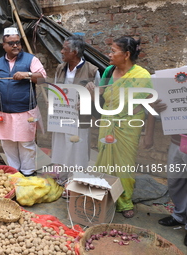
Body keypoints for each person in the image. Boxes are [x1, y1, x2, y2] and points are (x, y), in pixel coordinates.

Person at [90, 36, 156, 218]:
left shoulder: (142, 76)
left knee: (124, 165)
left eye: (113, 51)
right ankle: (105, 196)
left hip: (128, 127)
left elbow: (151, 107)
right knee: (104, 161)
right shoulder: (109, 72)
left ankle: (125, 201)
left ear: (126, 54)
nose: (109, 54)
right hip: (107, 123)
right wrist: (92, 92)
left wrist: (148, 135)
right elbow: (99, 98)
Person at [0, 27, 46, 176]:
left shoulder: (30, 59)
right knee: (7, 142)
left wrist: (27, 74)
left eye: (18, 42)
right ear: (3, 45)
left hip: (25, 110)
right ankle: (14, 172)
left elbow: (43, 78)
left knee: (26, 143)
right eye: (11, 43)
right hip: (3, 110)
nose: (15, 45)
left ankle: (28, 173)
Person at [51, 35, 100, 191]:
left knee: (78, 149)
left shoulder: (92, 71)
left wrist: (88, 98)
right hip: (62, 115)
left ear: (75, 52)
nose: (61, 51)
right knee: (61, 146)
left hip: (80, 117)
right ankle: (64, 177)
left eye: (65, 49)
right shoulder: (61, 68)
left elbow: (99, 98)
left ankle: (76, 181)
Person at [152, 100, 187, 246]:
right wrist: (160, 109)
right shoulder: (177, 79)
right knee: (175, 181)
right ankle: (179, 215)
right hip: (177, 139)